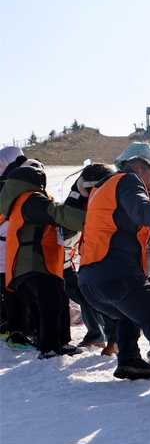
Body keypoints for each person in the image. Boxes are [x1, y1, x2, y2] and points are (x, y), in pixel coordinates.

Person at [77, 156, 150, 390]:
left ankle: (129, 360)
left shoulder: (100, 189)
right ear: (140, 169)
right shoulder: (129, 179)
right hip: (116, 272)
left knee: (129, 313)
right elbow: (142, 212)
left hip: (89, 281)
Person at [0, 159, 85, 359]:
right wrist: (92, 219)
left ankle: (57, 344)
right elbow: (58, 213)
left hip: (29, 265)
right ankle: (49, 348)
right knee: (52, 302)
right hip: (33, 263)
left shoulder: (21, 203)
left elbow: (56, 226)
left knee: (56, 300)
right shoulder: (31, 200)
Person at [64, 162, 120, 355]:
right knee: (84, 292)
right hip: (89, 251)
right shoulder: (80, 194)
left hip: (113, 251)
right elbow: (66, 216)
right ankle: (96, 335)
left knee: (110, 295)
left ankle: (115, 339)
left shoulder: (116, 190)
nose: (93, 191)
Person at [0, 146, 35, 346]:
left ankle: (14, 326)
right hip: (9, 250)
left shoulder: (15, 184)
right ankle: (18, 330)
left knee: (11, 290)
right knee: (13, 291)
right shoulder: (11, 186)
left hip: (10, 248)